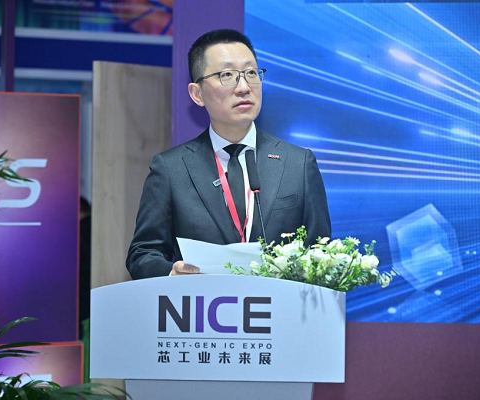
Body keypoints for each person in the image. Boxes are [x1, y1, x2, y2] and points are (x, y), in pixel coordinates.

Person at [126, 29, 330, 279]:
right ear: (197, 94)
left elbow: (322, 253)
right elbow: (142, 253)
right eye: (227, 75)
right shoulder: (171, 169)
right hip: (203, 303)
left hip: (279, 303)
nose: (244, 87)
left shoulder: (298, 164)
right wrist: (171, 273)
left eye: (251, 73)